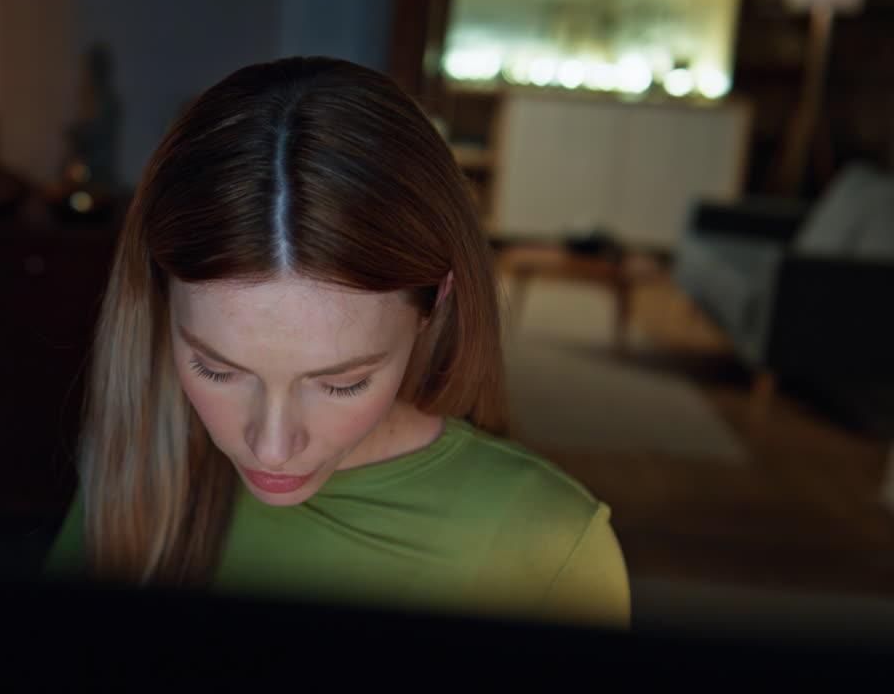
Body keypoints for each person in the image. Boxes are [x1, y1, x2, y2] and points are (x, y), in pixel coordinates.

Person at [41, 56, 630, 630]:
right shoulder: (135, 478)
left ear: (435, 305)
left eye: (341, 382)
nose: (271, 449)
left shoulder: (552, 550)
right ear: (160, 299)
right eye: (216, 369)